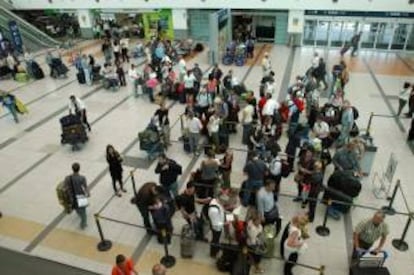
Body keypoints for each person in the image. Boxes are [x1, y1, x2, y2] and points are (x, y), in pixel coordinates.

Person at [63, 162, 89, 229]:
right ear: (79, 169)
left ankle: (78, 212)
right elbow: (85, 187)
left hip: (72, 197)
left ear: (72, 169)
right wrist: (88, 193)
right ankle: (83, 224)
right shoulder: (82, 178)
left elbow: (65, 187)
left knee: (75, 207)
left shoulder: (67, 178)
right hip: (81, 196)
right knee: (83, 213)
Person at [208, 193, 229, 258]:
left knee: (216, 239)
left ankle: (216, 249)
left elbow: (221, 209)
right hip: (216, 227)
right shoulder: (214, 210)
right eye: (224, 202)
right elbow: (215, 223)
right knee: (215, 239)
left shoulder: (217, 202)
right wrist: (224, 223)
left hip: (218, 222)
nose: (225, 204)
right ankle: (213, 253)